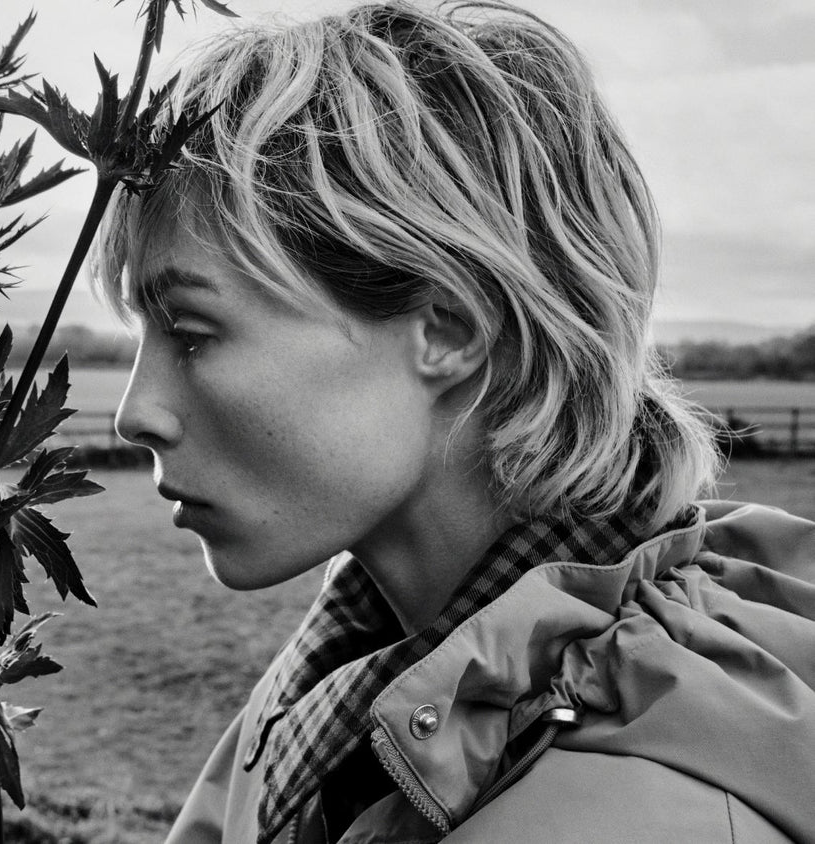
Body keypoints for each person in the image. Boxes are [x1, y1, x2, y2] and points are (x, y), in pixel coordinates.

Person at [92, 2, 815, 841]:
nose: (134, 412)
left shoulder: (639, 811)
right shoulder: (348, 680)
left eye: (190, 332)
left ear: (449, 330)